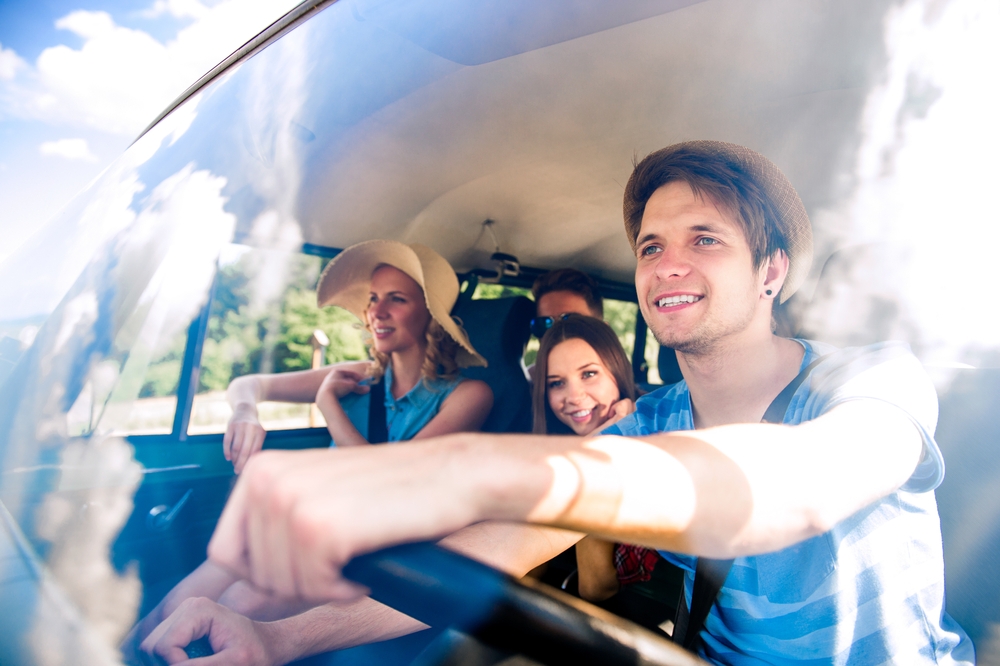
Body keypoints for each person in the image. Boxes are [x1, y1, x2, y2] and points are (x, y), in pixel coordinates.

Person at [142, 141, 973, 665]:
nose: (665, 265)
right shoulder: (646, 421)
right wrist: (276, 640)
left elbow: (789, 491)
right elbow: (484, 554)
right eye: (651, 246)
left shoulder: (868, 383)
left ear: (771, 272)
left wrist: (457, 468)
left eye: (705, 240)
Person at [129, 239, 493, 654]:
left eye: (397, 299)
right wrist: (245, 411)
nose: (377, 311)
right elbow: (246, 384)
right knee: (173, 607)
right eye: (373, 299)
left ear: (432, 315)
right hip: (306, 525)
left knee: (235, 607)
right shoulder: (359, 376)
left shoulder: (468, 395)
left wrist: (327, 405)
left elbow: (390, 475)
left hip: (366, 546)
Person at [532, 313, 663, 606]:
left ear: (617, 371)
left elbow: (595, 587)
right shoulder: (551, 445)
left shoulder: (653, 440)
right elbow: (520, 576)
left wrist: (601, 448)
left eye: (589, 374)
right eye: (556, 383)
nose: (575, 396)